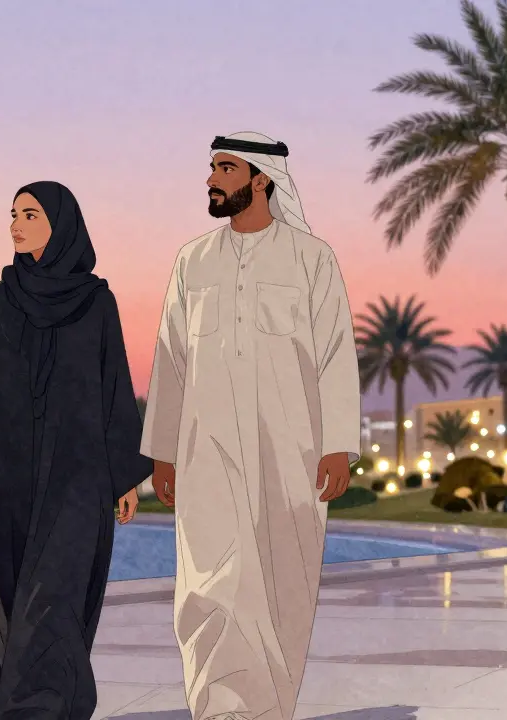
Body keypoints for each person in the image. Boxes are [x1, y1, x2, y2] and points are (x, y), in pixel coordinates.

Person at [142, 132, 361, 720]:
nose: (212, 179)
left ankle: (270, 711)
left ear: (260, 178)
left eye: (225, 168)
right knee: (207, 584)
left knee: (282, 582)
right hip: (204, 452)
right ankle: (215, 709)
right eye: (211, 167)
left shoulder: (312, 259)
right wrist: (161, 453)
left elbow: (336, 355)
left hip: (288, 453)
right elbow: (170, 359)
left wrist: (338, 446)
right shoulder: (192, 261)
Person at [0, 181, 152, 719]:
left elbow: (114, 387)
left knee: (55, 601)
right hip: (4, 478)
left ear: (61, 224)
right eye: (12, 214)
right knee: (6, 603)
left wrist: (124, 475)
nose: (15, 224)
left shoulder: (98, 303)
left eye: (29, 214)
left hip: (77, 480)